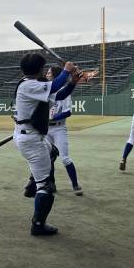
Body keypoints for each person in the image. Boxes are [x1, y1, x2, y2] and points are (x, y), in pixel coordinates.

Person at [14, 53, 81, 236]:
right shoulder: (29, 85)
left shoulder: (35, 87)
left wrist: (73, 82)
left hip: (32, 137)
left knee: (53, 151)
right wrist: (66, 70)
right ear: (40, 70)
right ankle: (38, 224)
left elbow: (60, 93)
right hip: (31, 140)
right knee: (47, 188)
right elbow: (56, 84)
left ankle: (32, 183)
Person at [45, 64, 84, 195]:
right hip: (46, 130)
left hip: (59, 129)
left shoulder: (64, 91)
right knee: (47, 159)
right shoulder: (45, 91)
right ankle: (52, 184)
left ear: (55, 76)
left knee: (65, 158)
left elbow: (67, 113)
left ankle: (75, 185)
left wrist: (53, 118)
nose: (46, 75)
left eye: (49, 73)